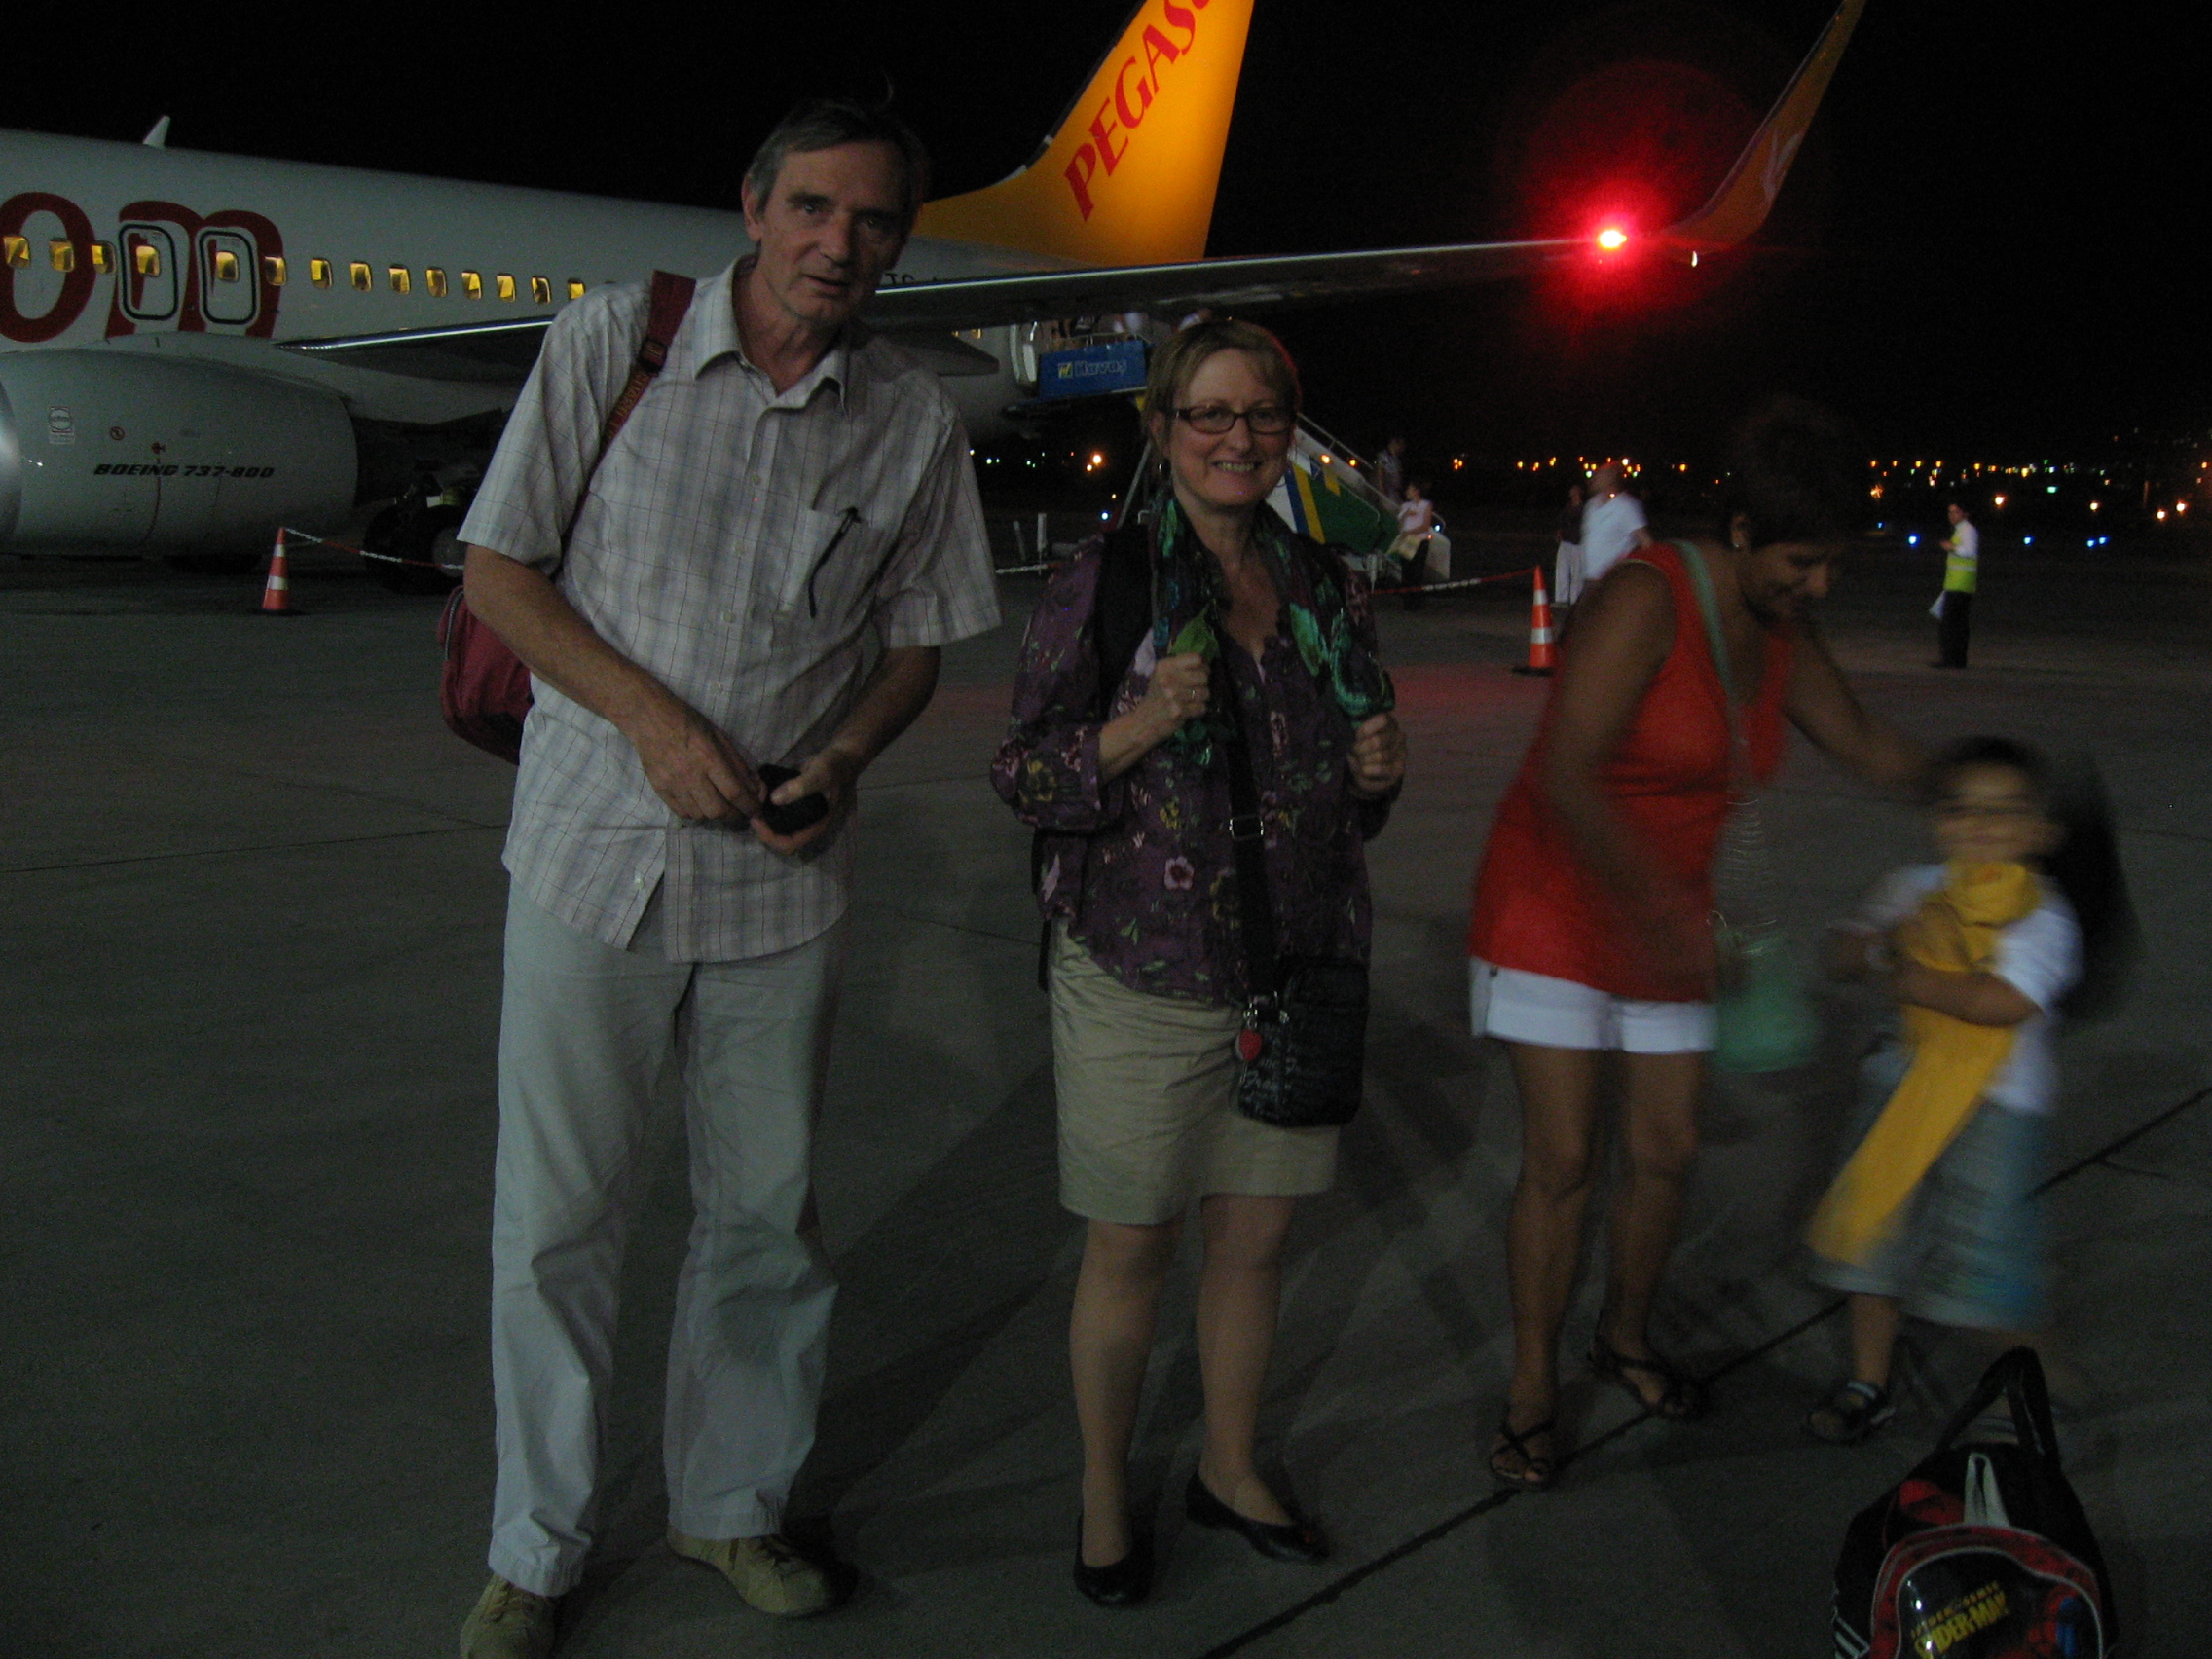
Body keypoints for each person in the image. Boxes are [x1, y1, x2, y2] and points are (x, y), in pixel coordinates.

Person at [452, 101, 1001, 1658]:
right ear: (753, 209)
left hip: (782, 883)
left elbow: (918, 644)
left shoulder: (911, 421)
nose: (839, 243)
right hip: (591, 854)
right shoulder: (614, 343)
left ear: (900, 243)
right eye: (812, 207)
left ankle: (728, 1505)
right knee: (558, 1218)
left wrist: (845, 758)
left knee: (763, 1217)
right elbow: (499, 571)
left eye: (874, 220)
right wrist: (652, 723)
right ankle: (536, 1548)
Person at [992, 319, 1407, 1605]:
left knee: (1255, 1243)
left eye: (1263, 415)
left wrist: (1377, 772)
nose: (1238, 439)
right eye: (1210, 414)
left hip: (1296, 969)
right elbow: (1023, 771)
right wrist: (1136, 724)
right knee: (1131, 1250)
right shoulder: (1104, 579)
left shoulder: (1323, 582)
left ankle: (1227, 1468)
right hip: (1142, 972)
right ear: (1164, 429)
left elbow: (1335, 797)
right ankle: (1104, 1493)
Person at [1463, 399, 1923, 1491]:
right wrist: (1669, 922)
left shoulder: (1781, 630)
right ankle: (1531, 1389)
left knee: (1666, 1150)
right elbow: (1567, 775)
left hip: (1671, 918)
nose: (1821, 585)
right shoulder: (1645, 598)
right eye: (1803, 562)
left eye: (1834, 563)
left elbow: (1866, 743)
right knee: (1564, 1161)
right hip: (1555, 904)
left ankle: (1624, 1337)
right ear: (1744, 532)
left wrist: (1993, 786)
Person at [1803, 737, 2123, 1442]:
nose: (1981, 826)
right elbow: (1841, 952)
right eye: (1961, 809)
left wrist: (1908, 975)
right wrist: (1877, 944)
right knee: (1875, 1230)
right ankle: (1868, 1381)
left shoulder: (2041, 916)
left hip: (1997, 1111)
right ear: (1935, 820)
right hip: (1902, 1088)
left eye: (2004, 811)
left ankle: (2042, 1380)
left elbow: (1999, 1003)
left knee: (1986, 1257)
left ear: (2041, 832)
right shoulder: (1915, 888)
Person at [1578, 461, 1651, 586]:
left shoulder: (1626, 506)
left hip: (1613, 582)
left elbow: (1646, 543)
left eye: (1600, 475)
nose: (1595, 478)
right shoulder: (1591, 505)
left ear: (1611, 478)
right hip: (1590, 579)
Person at [1936, 501, 1978, 668]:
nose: (1951, 516)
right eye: (1950, 512)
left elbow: (1969, 551)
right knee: (1955, 624)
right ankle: (1955, 659)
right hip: (1956, 584)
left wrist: (1952, 547)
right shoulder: (1960, 530)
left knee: (1951, 624)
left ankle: (1952, 659)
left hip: (1961, 584)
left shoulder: (1967, 530)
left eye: (1955, 512)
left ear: (1965, 514)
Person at [1554, 481, 1588, 609]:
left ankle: (1575, 600)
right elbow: (1561, 522)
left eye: (1575, 491)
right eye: (1572, 491)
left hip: (1577, 543)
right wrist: (1559, 533)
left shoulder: (1583, 509)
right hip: (1566, 541)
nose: (1573, 493)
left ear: (1580, 493)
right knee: (1561, 570)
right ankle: (1561, 598)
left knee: (1576, 572)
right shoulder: (1568, 508)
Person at [1376, 434, 1408, 502]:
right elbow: (1380, 471)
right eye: (1401, 445)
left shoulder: (1397, 460)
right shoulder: (1384, 455)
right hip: (1387, 490)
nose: (1402, 448)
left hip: (1394, 491)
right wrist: (1382, 487)